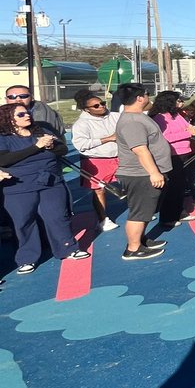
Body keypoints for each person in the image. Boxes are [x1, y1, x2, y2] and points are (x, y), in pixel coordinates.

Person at [0, 102, 89, 273]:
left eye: (27, 113)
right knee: (24, 222)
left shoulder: (40, 130)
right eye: (20, 114)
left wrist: (52, 146)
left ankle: (68, 248)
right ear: (8, 119)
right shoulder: (3, 138)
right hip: (19, 187)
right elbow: (4, 160)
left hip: (50, 182)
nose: (27, 116)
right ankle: (27, 258)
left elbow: (62, 149)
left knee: (57, 216)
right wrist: (36, 147)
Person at [113, 83, 172, 260]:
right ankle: (133, 248)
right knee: (140, 211)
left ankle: (140, 239)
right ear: (140, 98)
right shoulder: (132, 121)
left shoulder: (137, 117)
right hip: (140, 174)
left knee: (146, 210)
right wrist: (154, 173)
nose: (149, 98)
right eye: (147, 94)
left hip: (145, 173)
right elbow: (140, 149)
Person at [150, 91, 195, 228]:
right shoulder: (159, 118)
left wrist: (194, 130)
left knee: (180, 186)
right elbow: (164, 137)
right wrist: (188, 133)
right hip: (172, 155)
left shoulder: (177, 115)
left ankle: (179, 212)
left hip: (185, 152)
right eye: (178, 101)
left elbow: (187, 127)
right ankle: (167, 217)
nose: (181, 103)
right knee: (172, 187)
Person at [71, 90, 121, 231]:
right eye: (96, 106)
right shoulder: (81, 124)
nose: (101, 106)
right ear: (87, 110)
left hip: (119, 157)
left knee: (132, 182)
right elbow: (80, 144)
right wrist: (107, 139)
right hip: (97, 160)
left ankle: (138, 211)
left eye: (103, 103)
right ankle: (103, 219)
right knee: (99, 190)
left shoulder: (115, 116)